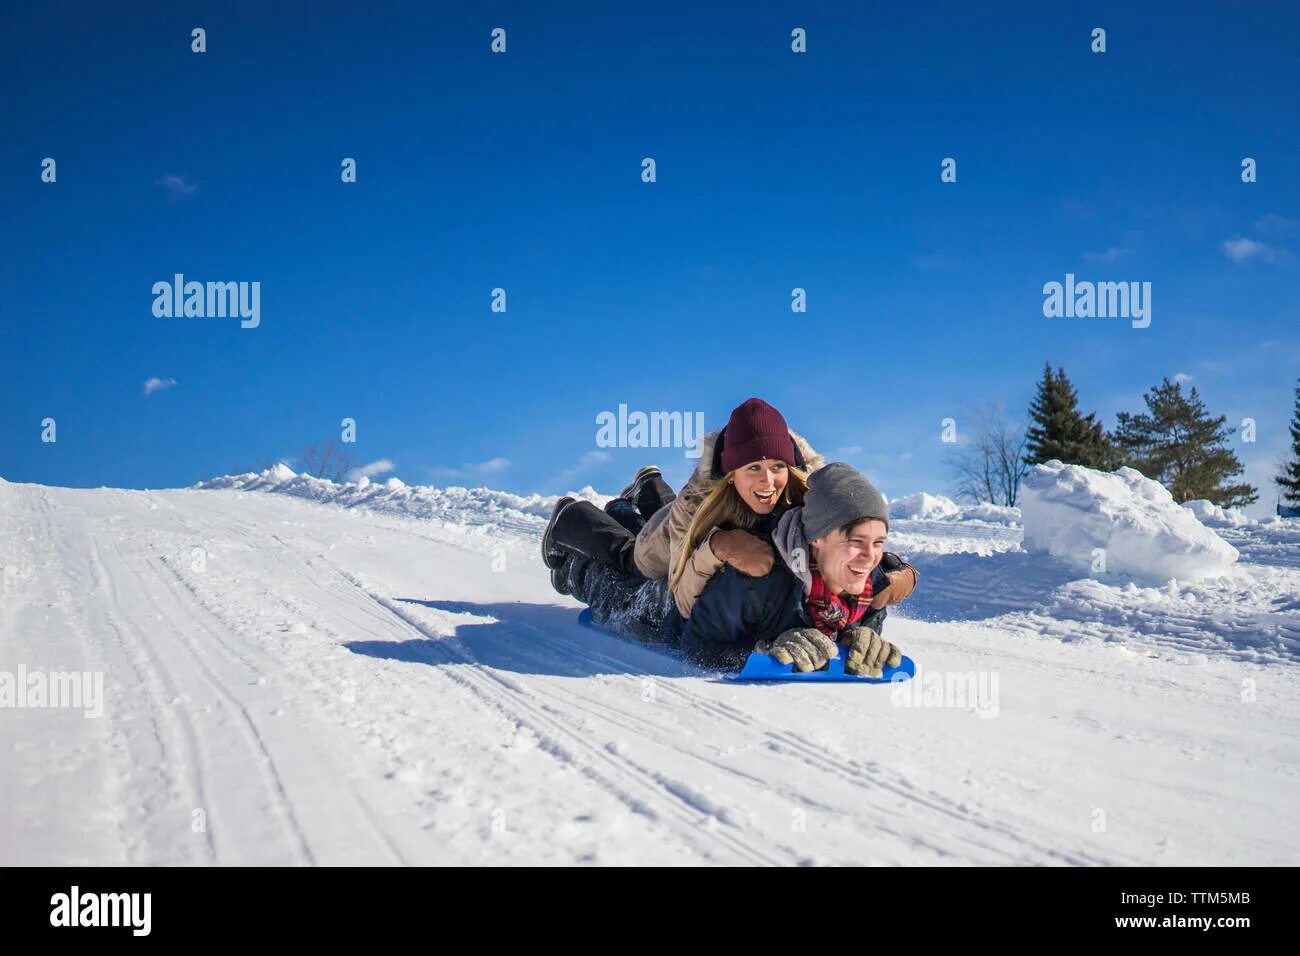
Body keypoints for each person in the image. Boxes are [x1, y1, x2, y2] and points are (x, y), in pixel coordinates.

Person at [547, 461, 917, 676]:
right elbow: (696, 646)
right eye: (855, 542)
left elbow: (881, 585)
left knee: (658, 533)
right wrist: (759, 650)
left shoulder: (867, 585)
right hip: (669, 607)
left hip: (692, 546)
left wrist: (856, 640)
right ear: (816, 540)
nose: (868, 557)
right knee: (617, 590)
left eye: (878, 543)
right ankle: (572, 533)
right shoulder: (758, 577)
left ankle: (640, 496)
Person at [542, 398, 825, 617]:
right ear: (730, 474)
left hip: (674, 514)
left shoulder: (806, 489)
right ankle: (571, 517)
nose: (768, 481)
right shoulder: (697, 504)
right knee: (629, 557)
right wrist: (718, 546)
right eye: (753, 468)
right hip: (664, 545)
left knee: (666, 512)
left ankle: (649, 485)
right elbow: (679, 591)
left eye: (777, 467)